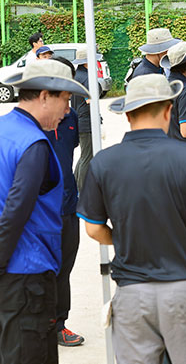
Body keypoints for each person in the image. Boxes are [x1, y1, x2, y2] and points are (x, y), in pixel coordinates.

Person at [77, 74, 186, 364]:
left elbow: (93, 229)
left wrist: (119, 238)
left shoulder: (103, 163)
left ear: (128, 113)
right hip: (184, 288)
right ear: (169, 110)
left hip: (132, 294)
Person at [0, 59, 89, 364]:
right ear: (44, 96)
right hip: (26, 274)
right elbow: (16, 211)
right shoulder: (35, 144)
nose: (67, 110)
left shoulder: (4, 130)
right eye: (65, 100)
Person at [41, 56, 85, 347]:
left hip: (68, 207)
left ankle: (59, 324)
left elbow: (72, 151)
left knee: (64, 268)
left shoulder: (70, 117)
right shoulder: (29, 124)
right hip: (40, 212)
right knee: (42, 271)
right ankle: (41, 325)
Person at [71, 46, 101, 192]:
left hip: (79, 119)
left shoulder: (77, 75)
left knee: (84, 155)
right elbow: (90, 101)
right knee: (87, 157)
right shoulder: (87, 77)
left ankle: (76, 183)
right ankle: (82, 190)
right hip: (87, 121)